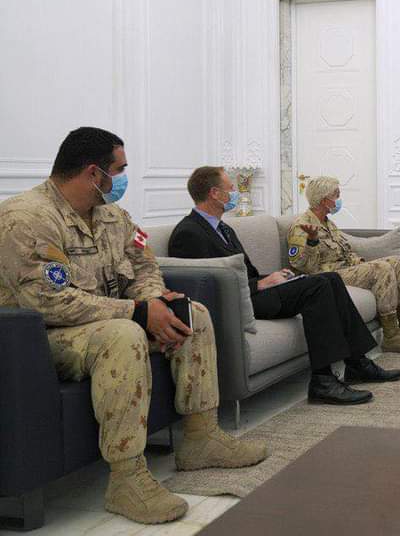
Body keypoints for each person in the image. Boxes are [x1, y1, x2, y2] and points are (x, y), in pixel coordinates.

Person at [0, 128, 268, 525]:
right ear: (94, 173)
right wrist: (138, 313)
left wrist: (154, 300)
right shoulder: (25, 219)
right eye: (120, 170)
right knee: (123, 335)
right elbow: (47, 301)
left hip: (105, 319)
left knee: (192, 314)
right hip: (39, 339)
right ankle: (126, 479)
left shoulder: (116, 217)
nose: (124, 178)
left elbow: (144, 264)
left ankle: (201, 438)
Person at [168, 166, 400, 407]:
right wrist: (259, 284)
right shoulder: (189, 233)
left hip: (252, 291)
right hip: (240, 302)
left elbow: (244, 271)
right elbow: (206, 286)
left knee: (330, 279)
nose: (235, 192)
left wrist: (272, 277)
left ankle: (357, 363)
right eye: (231, 188)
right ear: (215, 193)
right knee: (318, 287)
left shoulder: (224, 227)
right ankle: (322, 381)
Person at [286, 176, 400, 353]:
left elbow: (346, 253)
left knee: (398, 262)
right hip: (326, 277)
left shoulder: (329, 224)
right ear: (324, 200)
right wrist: (312, 241)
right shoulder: (302, 226)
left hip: (345, 270)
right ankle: (391, 336)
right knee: (382, 268)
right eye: (336, 195)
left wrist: (362, 266)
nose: (339, 199)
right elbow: (301, 265)